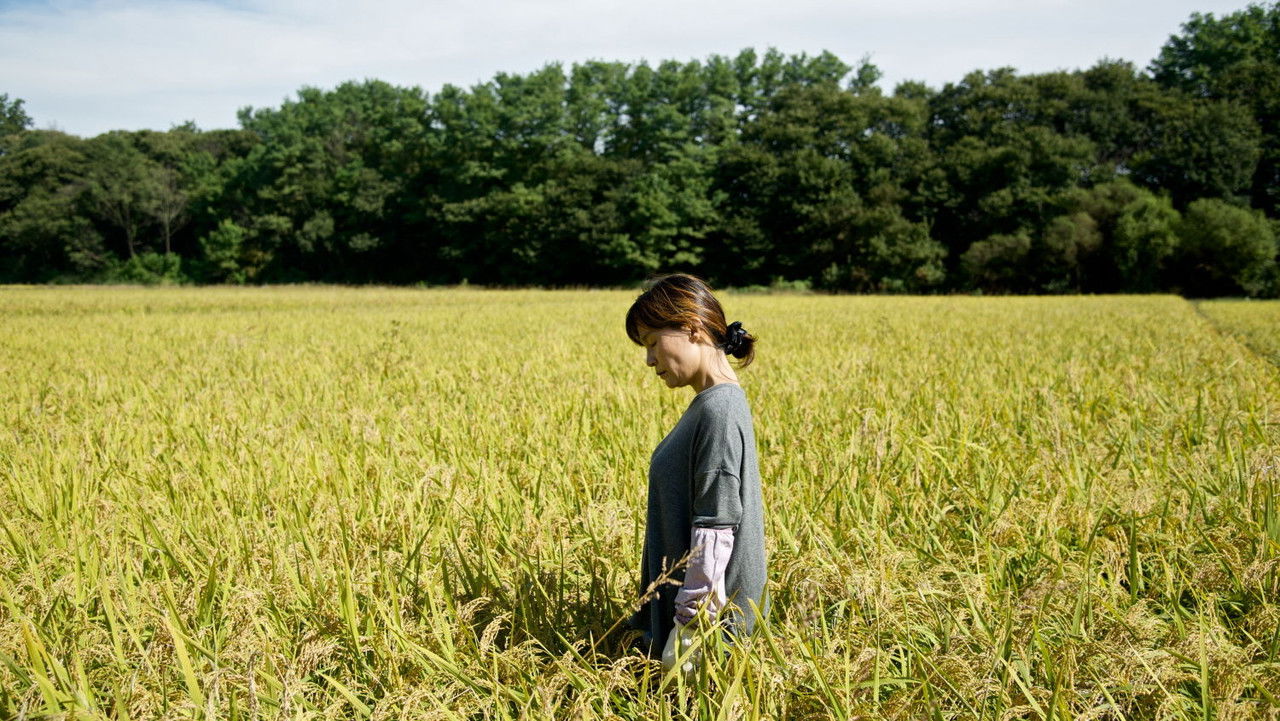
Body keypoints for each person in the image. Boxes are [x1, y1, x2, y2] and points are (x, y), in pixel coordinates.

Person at [623, 273, 768, 660]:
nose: (649, 359)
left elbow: (716, 526)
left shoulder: (719, 409)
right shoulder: (711, 404)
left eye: (653, 342)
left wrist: (688, 625)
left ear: (692, 328)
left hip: (707, 633)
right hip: (694, 622)